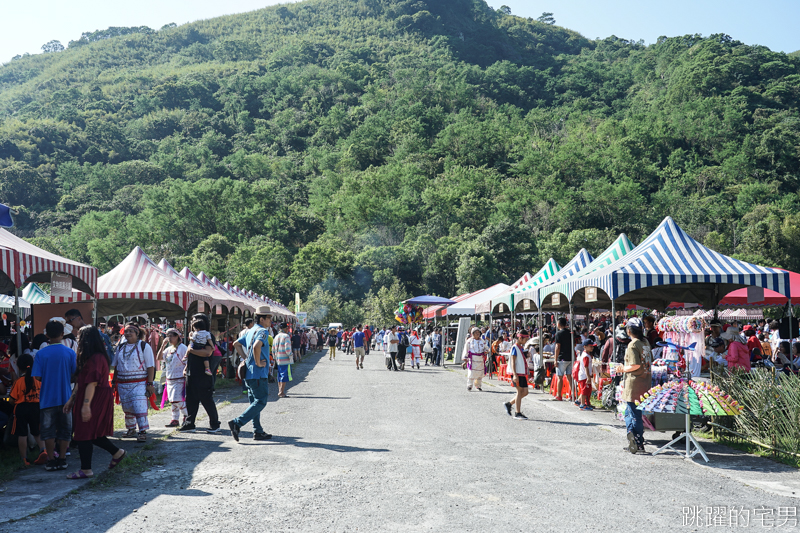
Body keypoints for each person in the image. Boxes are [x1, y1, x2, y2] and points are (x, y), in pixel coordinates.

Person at [63, 326, 126, 479]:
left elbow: (92, 383)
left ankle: (86, 469)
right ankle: (117, 452)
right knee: (91, 431)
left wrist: (85, 405)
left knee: (85, 432)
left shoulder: (96, 358)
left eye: (79, 337)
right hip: (90, 395)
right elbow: (81, 380)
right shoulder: (89, 357)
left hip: (94, 397)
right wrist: (71, 399)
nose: (77, 339)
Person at [31, 319, 76, 471]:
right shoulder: (70, 352)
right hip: (66, 398)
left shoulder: (41, 353)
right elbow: (75, 374)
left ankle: (51, 460)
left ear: (46, 334)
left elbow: (37, 377)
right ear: (63, 334)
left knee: (48, 431)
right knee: (65, 430)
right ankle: (62, 459)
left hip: (46, 398)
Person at [229, 306, 273, 442]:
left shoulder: (249, 331)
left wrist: (246, 358)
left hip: (248, 372)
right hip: (258, 373)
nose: (270, 320)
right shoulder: (263, 331)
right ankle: (237, 422)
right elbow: (256, 346)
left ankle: (258, 431)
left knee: (254, 402)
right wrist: (258, 362)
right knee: (260, 401)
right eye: (269, 318)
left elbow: (236, 344)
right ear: (262, 318)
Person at [112, 323, 156, 442]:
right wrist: (114, 382)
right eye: (126, 331)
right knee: (127, 407)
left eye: (131, 331)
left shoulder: (143, 346)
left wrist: (150, 384)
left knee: (139, 407)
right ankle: (131, 429)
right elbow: (116, 366)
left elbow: (150, 366)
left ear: (137, 333)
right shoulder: (121, 347)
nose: (128, 333)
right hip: (122, 383)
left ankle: (142, 431)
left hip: (139, 383)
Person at [179, 314, 220, 434]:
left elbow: (208, 352)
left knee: (206, 399)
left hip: (203, 373)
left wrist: (192, 350)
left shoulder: (208, 335)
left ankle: (214, 424)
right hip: (192, 372)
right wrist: (186, 367)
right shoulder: (194, 335)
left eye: (195, 321)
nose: (192, 323)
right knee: (191, 399)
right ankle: (189, 424)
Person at [617, 318, 652, 454]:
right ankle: (631, 436)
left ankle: (638, 442)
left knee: (634, 413)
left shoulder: (633, 345)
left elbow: (635, 365)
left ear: (629, 330)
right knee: (629, 412)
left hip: (634, 383)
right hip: (645, 381)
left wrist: (622, 369)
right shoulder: (645, 342)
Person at [9, 354, 47, 466]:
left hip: (21, 408)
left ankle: (24, 459)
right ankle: (43, 450)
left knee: (22, 434)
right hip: (36, 408)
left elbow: (12, 399)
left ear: (19, 367)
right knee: (37, 431)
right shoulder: (38, 380)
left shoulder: (18, 382)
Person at [159, 328, 188, 427]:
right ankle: (175, 419)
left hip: (180, 377)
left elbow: (188, 360)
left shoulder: (183, 348)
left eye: (171, 335)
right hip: (170, 378)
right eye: (168, 336)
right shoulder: (168, 349)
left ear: (177, 337)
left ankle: (187, 416)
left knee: (177, 399)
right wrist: (163, 345)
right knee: (172, 400)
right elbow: (158, 358)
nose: (169, 338)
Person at [504, 330, 530, 419]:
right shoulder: (515, 347)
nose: (526, 341)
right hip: (517, 373)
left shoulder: (520, 348)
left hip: (521, 372)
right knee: (519, 392)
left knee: (525, 392)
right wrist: (515, 374)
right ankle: (517, 412)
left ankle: (509, 404)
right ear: (520, 338)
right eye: (525, 339)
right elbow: (512, 361)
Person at [552, 317, 572, 401]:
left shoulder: (558, 334)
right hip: (570, 357)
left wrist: (555, 359)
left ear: (559, 324)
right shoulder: (570, 333)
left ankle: (559, 395)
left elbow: (557, 347)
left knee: (559, 377)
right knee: (569, 377)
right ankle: (572, 395)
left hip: (562, 358)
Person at [272, 323, 292, 397]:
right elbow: (287, 348)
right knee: (284, 375)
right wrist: (290, 354)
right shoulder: (286, 336)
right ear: (285, 328)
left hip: (278, 359)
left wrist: (274, 357)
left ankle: (280, 390)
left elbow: (273, 348)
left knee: (279, 375)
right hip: (285, 359)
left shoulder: (276, 336)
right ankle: (281, 392)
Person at [576, 336, 596, 411]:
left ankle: (582, 402)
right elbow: (586, 367)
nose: (592, 348)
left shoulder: (586, 355)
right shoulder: (586, 356)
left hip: (585, 375)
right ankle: (582, 404)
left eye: (592, 346)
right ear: (585, 347)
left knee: (587, 390)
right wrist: (588, 377)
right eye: (590, 346)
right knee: (584, 390)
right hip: (584, 376)